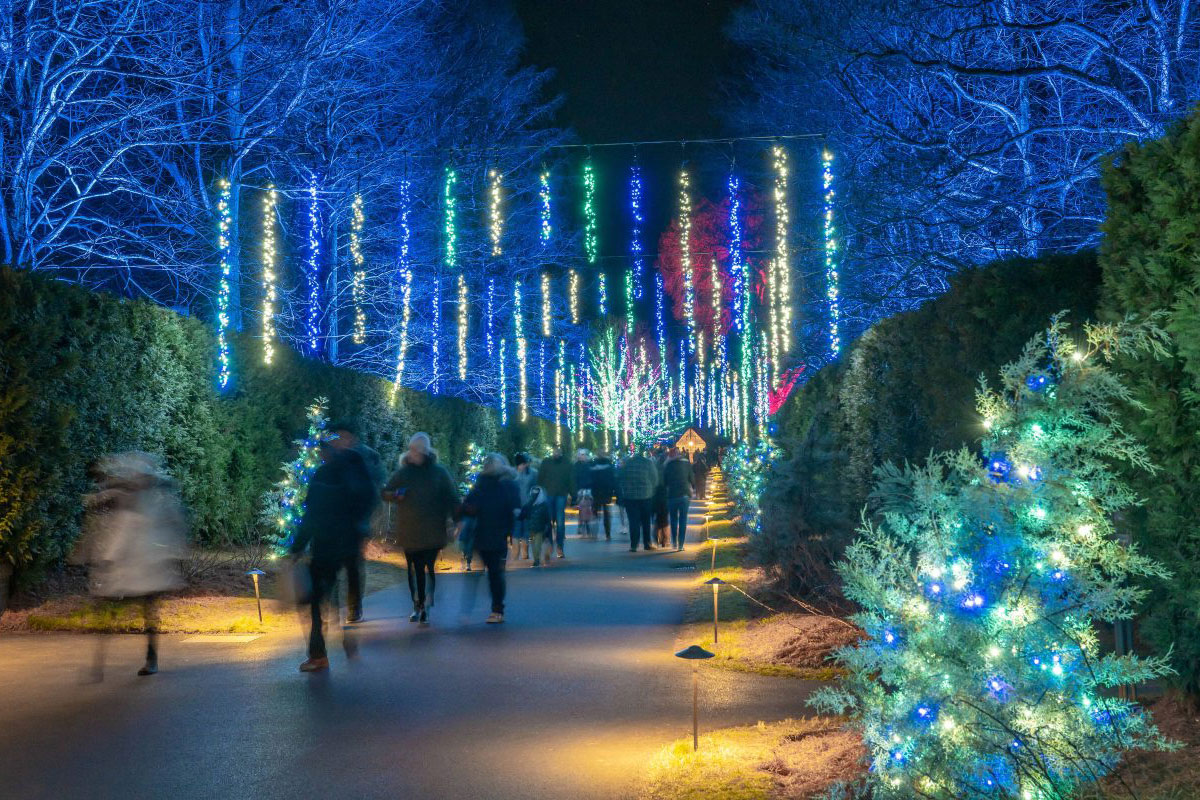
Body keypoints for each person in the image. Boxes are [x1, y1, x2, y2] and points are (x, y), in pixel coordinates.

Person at [76, 452, 187, 678]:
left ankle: (143, 660)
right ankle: (103, 665)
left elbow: (137, 531)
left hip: (143, 570)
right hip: (131, 570)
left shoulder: (148, 503)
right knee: (117, 613)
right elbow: (120, 528)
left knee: (141, 613)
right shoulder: (134, 502)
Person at [290, 435, 376, 672]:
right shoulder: (357, 472)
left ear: (325, 452)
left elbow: (312, 516)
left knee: (317, 601)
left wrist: (297, 547)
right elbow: (368, 501)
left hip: (325, 547)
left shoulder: (323, 476)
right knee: (337, 591)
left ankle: (318, 655)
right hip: (348, 545)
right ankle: (347, 633)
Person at [381, 433, 459, 626]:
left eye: (419, 449)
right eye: (413, 449)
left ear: (426, 450)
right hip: (409, 530)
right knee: (413, 569)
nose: (415, 453)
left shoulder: (439, 472)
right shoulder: (403, 473)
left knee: (428, 567)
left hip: (432, 530)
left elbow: (451, 497)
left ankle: (425, 602)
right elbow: (385, 492)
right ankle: (418, 604)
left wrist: (457, 521)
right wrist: (395, 496)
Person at [327, 419, 383, 623]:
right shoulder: (330, 459)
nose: (338, 441)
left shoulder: (361, 459)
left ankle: (354, 608)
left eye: (342, 436)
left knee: (353, 568)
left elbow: (370, 493)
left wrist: (363, 522)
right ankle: (333, 609)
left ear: (350, 438)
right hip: (334, 526)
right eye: (336, 437)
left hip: (354, 526)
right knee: (331, 567)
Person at [461, 453, 521, 623]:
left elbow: (514, 508)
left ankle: (496, 609)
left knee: (494, 574)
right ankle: (473, 610)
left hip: (497, 534)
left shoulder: (507, 485)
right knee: (484, 575)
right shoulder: (482, 484)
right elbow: (469, 504)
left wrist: (509, 530)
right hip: (481, 534)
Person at [617, 448, 660, 552]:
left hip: (630, 497)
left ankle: (634, 545)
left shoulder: (628, 464)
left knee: (633, 521)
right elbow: (655, 479)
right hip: (646, 496)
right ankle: (647, 543)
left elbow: (621, 478)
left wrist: (625, 490)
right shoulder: (648, 463)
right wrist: (651, 489)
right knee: (646, 521)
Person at [538, 447, 574, 558]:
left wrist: (573, 494)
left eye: (558, 451)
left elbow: (571, 479)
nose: (556, 453)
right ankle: (552, 545)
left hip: (559, 495)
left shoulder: (565, 463)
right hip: (551, 494)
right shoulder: (551, 463)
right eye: (555, 451)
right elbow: (540, 478)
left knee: (559, 522)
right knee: (550, 521)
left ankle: (558, 546)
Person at [663, 447, 694, 550]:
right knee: (683, 519)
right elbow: (691, 478)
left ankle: (674, 542)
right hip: (684, 495)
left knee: (673, 520)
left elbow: (664, 481)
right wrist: (692, 488)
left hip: (672, 495)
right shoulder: (686, 463)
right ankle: (681, 544)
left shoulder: (668, 465)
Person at [511, 453, 538, 560]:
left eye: (523, 464)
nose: (522, 466)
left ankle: (525, 552)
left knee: (526, 529)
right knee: (516, 529)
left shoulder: (533, 474)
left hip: (528, 504)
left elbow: (535, 488)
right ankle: (515, 552)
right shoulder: (512, 474)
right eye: (520, 464)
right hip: (516, 505)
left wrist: (532, 501)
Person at [523, 484, 553, 567]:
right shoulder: (543, 505)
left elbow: (524, 515)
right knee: (536, 544)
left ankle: (536, 559)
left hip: (535, 528)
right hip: (538, 527)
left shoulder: (529, 504)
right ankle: (537, 559)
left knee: (535, 544)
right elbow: (547, 518)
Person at [590, 451, 617, 540]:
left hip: (596, 492)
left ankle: (594, 533)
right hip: (606, 492)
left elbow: (591, 479)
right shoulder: (609, 465)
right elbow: (613, 478)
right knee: (606, 515)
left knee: (595, 514)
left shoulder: (593, 464)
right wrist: (612, 490)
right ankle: (607, 534)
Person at [653, 447, 670, 547]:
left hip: (655, 494)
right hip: (664, 494)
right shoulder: (667, 466)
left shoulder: (654, 465)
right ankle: (665, 539)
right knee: (664, 518)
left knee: (658, 517)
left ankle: (657, 537)